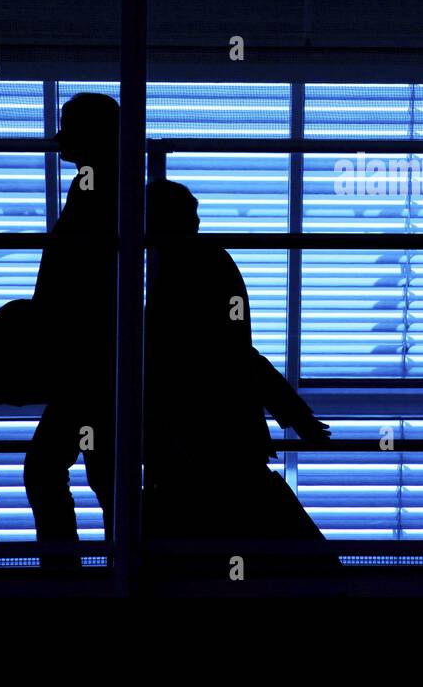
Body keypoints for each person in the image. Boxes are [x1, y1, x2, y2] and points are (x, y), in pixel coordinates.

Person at [141, 178, 338, 582]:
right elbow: (237, 350)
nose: (196, 224)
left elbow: (232, 352)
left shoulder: (177, 267)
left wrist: (293, 413)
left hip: (194, 436)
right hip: (221, 433)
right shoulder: (202, 263)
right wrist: (293, 413)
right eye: (190, 216)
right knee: (257, 523)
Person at [24, 93, 120, 564]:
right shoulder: (101, 184)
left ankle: (66, 568)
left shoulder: (97, 187)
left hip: (89, 358)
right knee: (103, 471)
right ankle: (122, 563)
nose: (58, 136)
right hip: (99, 356)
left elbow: (75, 268)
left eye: (68, 125)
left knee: (47, 467)